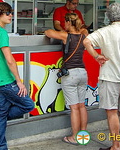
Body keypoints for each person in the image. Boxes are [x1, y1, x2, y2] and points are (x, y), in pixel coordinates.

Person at [0, 2, 35, 150]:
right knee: (28, 104)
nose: (11, 16)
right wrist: (19, 81)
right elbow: (9, 59)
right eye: (7, 13)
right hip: (6, 80)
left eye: (11, 13)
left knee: (1, 114)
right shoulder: (1, 33)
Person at [83, 3, 120, 150]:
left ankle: (115, 146)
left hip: (109, 77)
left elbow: (86, 41)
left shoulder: (104, 31)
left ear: (108, 16)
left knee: (112, 112)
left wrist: (96, 56)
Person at [45, 13, 88, 145]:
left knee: (74, 108)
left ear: (69, 23)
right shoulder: (83, 35)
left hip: (70, 74)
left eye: (65, 22)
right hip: (83, 73)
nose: (64, 25)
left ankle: (74, 137)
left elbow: (48, 32)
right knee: (82, 106)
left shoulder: (66, 36)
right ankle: (83, 137)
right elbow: (85, 30)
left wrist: (62, 30)